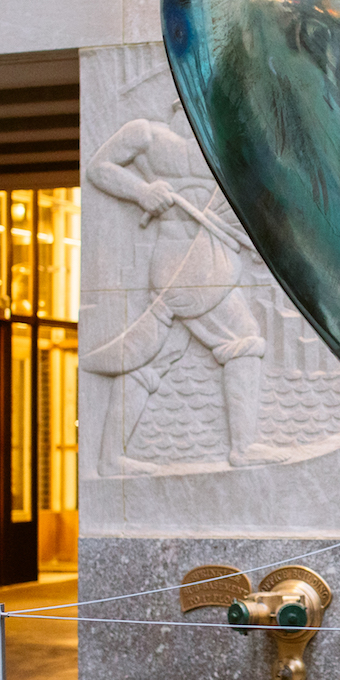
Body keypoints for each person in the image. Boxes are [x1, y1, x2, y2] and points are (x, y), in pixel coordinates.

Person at [82, 100, 268, 471]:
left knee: (153, 358)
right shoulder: (147, 135)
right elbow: (98, 168)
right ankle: (243, 448)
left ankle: (110, 457)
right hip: (179, 258)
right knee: (243, 338)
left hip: (213, 254)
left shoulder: (224, 148)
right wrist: (141, 191)